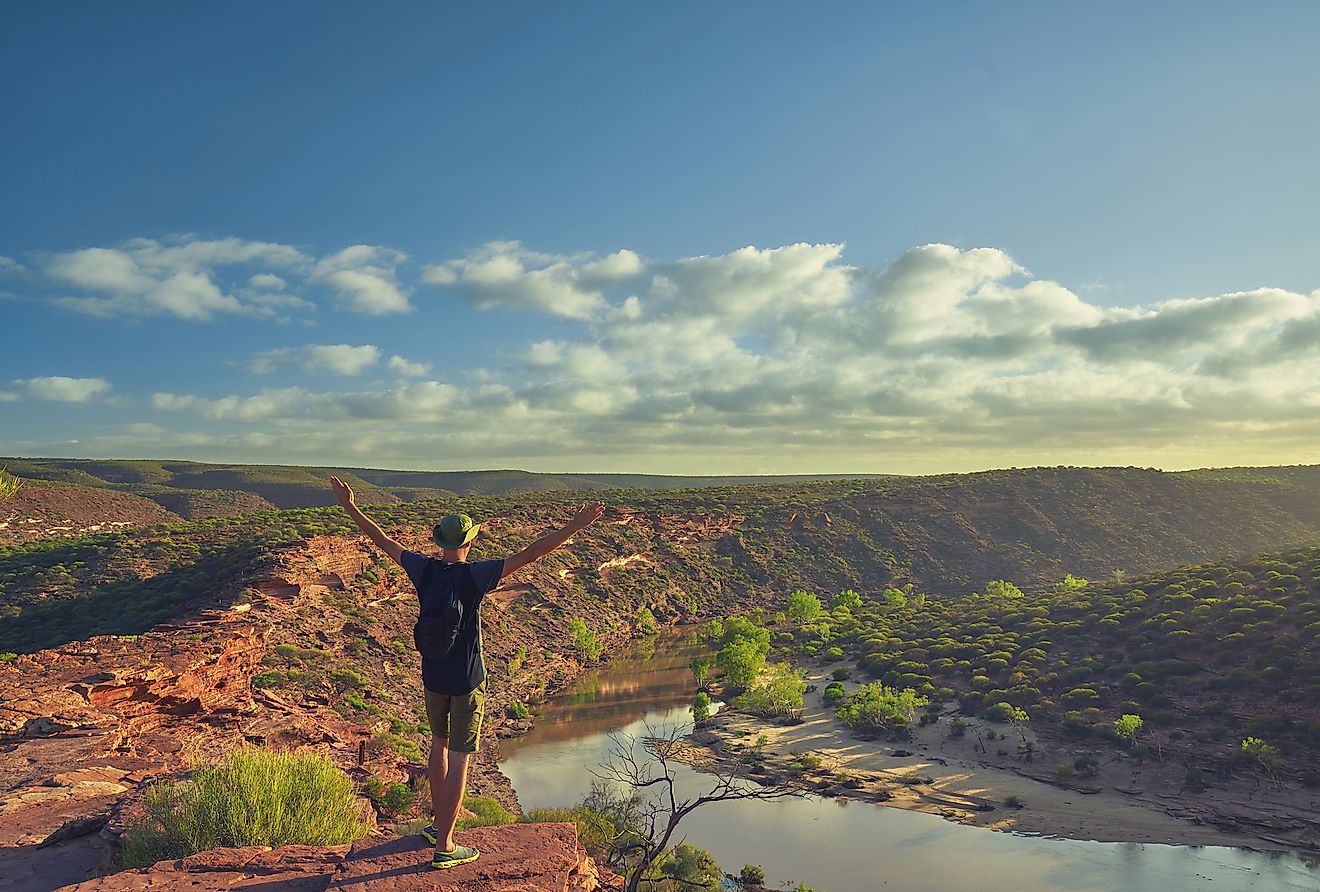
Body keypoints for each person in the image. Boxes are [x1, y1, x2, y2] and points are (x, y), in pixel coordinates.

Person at [329, 475, 605, 869]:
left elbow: (383, 541)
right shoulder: (475, 575)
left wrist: (350, 506)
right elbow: (531, 554)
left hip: (432, 676)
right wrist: (576, 526)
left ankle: (437, 825)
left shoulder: (423, 569)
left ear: (439, 542)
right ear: (469, 542)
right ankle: (446, 845)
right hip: (466, 679)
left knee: (437, 746)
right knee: (460, 756)